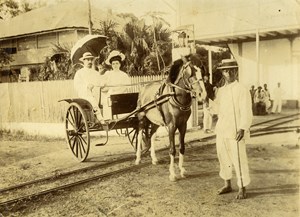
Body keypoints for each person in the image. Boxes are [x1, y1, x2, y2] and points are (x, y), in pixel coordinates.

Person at [212, 59, 253, 199]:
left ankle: (242, 187)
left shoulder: (242, 89)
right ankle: (227, 184)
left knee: (239, 159)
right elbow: (216, 109)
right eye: (225, 70)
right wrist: (206, 101)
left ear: (235, 71)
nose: (228, 72)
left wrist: (243, 128)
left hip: (236, 131)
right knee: (222, 157)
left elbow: (247, 111)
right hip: (222, 130)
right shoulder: (221, 91)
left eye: (231, 70)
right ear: (222, 73)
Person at [73, 52, 105, 124]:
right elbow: (77, 86)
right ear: (83, 61)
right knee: (91, 99)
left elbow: (100, 83)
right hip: (85, 96)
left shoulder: (96, 73)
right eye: (87, 60)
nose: (90, 61)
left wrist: (102, 84)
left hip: (97, 95)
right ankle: (100, 118)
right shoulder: (79, 73)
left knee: (108, 98)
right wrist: (87, 86)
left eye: (91, 60)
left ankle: (108, 117)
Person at [101, 50, 131, 119]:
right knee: (108, 100)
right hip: (111, 94)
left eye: (117, 63)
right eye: (113, 64)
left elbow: (127, 87)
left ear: (120, 64)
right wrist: (106, 87)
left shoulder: (124, 75)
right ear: (111, 65)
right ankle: (110, 118)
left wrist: (120, 91)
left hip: (122, 94)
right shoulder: (108, 74)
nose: (115, 65)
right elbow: (103, 86)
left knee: (126, 99)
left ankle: (124, 117)